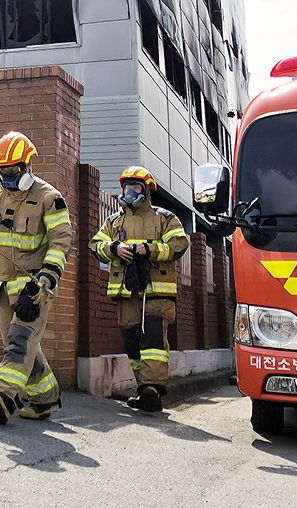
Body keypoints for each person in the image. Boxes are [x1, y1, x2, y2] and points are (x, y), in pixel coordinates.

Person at [0, 131, 72, 424]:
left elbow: (61, 241)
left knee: (20, 341)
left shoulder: (49, 198)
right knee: (22, 345)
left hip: (34, 287)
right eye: (1, 172)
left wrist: (47, 277)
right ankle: (45, 398)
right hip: (3, 287)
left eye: (13, 171)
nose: (6, 178)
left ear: (28, 166)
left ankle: (4, 395)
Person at [91, 166, 190, 413]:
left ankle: (153, 389)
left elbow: (179, 243)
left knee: (154, 341)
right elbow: (96, 244)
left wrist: (152, 249)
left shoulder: (164, 218)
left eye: (135, 187)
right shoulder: (114, 221)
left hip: (156, 292)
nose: (130, 192)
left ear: (146, 191)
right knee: (132, 342)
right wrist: (114, 249)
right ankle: (143, 387)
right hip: (127, 293)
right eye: (127, 187)